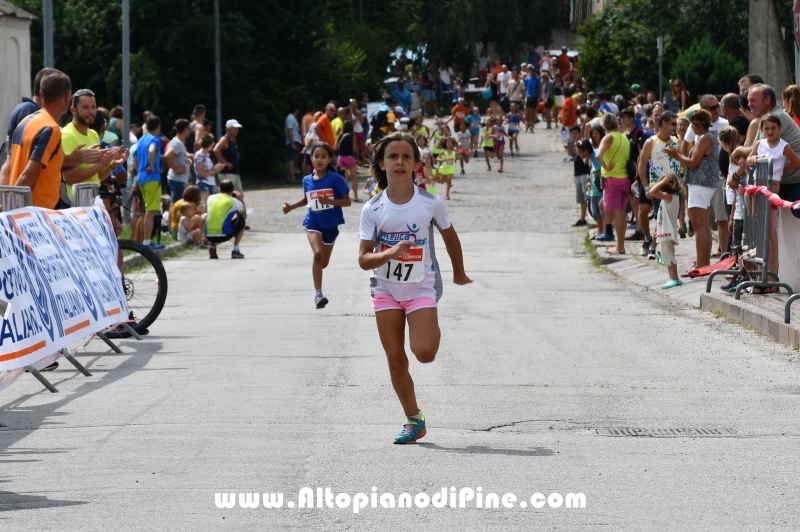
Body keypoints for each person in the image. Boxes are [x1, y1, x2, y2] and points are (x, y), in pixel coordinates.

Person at [357, 132, 472, 444]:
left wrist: (458, 273)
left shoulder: (430, 203)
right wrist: (390, 253)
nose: (399, 162)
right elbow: (364, 259)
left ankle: (429, 329)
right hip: (385, 289)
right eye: (393, 156)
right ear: (381, 164)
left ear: (417, 165)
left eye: (406, 157)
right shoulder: (373, 209)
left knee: (424, 353)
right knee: (396, 360)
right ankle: (413, 419)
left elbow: (450, 237)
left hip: (421, 288)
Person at [282, 142, 351, 307]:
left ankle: (318, 277)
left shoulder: (335, 178)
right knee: (318, 255)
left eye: (323, 156)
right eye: (316, 156)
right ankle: (318, 294)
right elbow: (308, 199)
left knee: (323, 262)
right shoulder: (306, 180)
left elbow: (347, 202)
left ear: (329, 159)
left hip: (331, 225)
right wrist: (291, 206)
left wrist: (329, 201)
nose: (319, 160)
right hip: (313, 222)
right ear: (311, 158)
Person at [6, 72, 72, 209]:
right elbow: (27, 177)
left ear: (41, 94)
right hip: (36, 217)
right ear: (67, 96)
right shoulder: (51, 129)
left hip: (20, 213)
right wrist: (10, 208)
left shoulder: (25, 122)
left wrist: (6, 207)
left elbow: (6, 169)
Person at [663, 109, 719, 268]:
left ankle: (701, 264)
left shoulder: (703, 139)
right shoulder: (710, 137)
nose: (690, 128)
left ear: (697, 124)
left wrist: (676, 155)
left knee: (699, 226)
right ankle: (704, 262)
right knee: (704, 226)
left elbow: (693, 163)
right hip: (704, 185)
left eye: (692, 125)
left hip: (700, 185)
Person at [61, 89, 121, 203]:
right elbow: (70, 178)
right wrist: (101, 165)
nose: (91, 111)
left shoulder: (93, 134)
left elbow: (97, 177)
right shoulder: (67, 135)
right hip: (75, 205)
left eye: (93, 107)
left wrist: (111, 165)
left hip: (93, 201)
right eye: (85, 107)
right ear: (73, 110)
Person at [638, 110, 681, 259]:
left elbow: (683, 162)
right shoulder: (651, 141)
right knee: (660, 218)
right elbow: (641, 165)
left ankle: (658, 247)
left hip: (675, 188)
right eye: (673, 123)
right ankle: (654, 246)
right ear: (664, 123)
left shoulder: (677, 141)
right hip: (658, 187)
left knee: (669, 220)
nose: (676, 126)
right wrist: (646, 187)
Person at [596, 113, 631, 255]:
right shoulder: (624, 137)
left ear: (604, 125)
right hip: (625, 179)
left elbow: (598, 156)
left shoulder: (608, 137)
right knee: (622, 213)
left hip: (612, 179)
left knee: (616, 214)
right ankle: (620, 244)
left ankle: (620, 246)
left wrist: (606, 166)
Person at [131, 115, 166, 250]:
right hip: (152, 177)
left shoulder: (141, 140)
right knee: (151, 211)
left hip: (141, 177)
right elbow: (152, 150)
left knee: (147, 210)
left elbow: (136, 158)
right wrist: (151, 166)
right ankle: (147, 241)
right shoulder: (154, 140)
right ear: (159, 126)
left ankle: (146, 240)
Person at [647, 173, 683, 289]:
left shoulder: (669, 197)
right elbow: (663, 217)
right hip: (665, 231)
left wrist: (662, 182)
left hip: (668, 232)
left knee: (669, 256)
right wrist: (659, 231)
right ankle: (672, 277)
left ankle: (674, 278)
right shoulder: (669, 198)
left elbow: (652, 192)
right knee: (666, 256)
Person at [205, 179, 246, 259]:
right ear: (232, 190)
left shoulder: (210, 198)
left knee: (208, 216)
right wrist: (241, 199)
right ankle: (235, 249)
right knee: (241, 221)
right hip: (224, 235)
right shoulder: (235, 201)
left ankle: (212, 244)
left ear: (219, 189)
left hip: (208, 235)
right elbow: (244, 216)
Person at [214, 119, 244, 197]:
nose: (236, 130)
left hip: (235, 172)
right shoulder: (224, 139)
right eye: (234, 128)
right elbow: (216, 149)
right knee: (227, 195)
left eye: (237, 129)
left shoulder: (233, 140)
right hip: (227, 173)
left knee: (239, 194)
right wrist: (225, 162)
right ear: (228, 129)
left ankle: (239, 209)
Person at [194, 134, 226, 205]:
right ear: (209, 144)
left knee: (211, 206)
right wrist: (214, 170)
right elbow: (201, 173)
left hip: (211, 183)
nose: (214, 144)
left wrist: (216, 168)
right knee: (206, 206)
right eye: (212, 142)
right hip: (203, 183)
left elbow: (208, 170)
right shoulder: (199, 155)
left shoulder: (207, 155)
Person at [165, 118, 192, 204]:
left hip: (180, 180)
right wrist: (175, 168)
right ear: (185, 129)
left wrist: (186, 159)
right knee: (176, 205)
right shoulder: (177, 143)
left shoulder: (179, 142)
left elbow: (176, 156)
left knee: (177, 205)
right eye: (189, 129)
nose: (189, 131)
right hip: (177, 180)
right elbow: (167, 155)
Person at [335, 121, 359, 202]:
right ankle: (355, 196)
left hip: (341, 157)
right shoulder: (353, 136)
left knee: (344, 178)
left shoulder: (340, 135)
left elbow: (335, 147)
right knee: (354, 178)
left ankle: (344, 196)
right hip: (350, 157)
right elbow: (354, 149)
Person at [572, 129, 591, 227]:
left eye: (576, 132)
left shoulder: (582, 144)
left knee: (587, 197)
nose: (574, 134)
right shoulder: (575, 146)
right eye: (572, 133)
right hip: (577, 174)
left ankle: (595, 217)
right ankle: (582, 218)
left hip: (584, 173)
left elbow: (587, 158)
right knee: (581, 199)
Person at [285, 103, 303, 183]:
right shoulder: (290, 118)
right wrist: (292, 143)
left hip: (295, 140)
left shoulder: (292, 118)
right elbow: (289, 130)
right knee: (291, 160)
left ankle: (290, 176)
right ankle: (292, 177)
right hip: (293, 141)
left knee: (290, 159)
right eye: (298, 109)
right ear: (295, 110)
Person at [524, 66, 541, 132]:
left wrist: (539, 97)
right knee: (527, 111)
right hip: (528, 96)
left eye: (533, 70)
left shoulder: (537, 79)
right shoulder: (527, 79)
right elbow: (525, 88)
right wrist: (523, 96)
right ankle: (527, 124)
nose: (532, 71)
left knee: (533, 111)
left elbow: (539, 88)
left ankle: (532, 124)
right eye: (530, 70)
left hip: (535, 96)